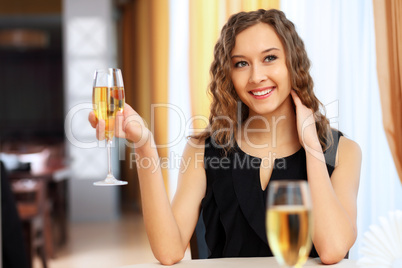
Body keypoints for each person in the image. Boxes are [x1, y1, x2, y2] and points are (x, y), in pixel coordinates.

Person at [89, 9, 361, 265]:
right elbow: (169, 251)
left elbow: (333, 249)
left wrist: (312, 146)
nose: (256, 76)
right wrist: (143, 143)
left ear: (293, 63)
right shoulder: (202, 150)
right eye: (241, 63)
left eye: (270, 58)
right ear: (229, 75)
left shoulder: (343, 152)